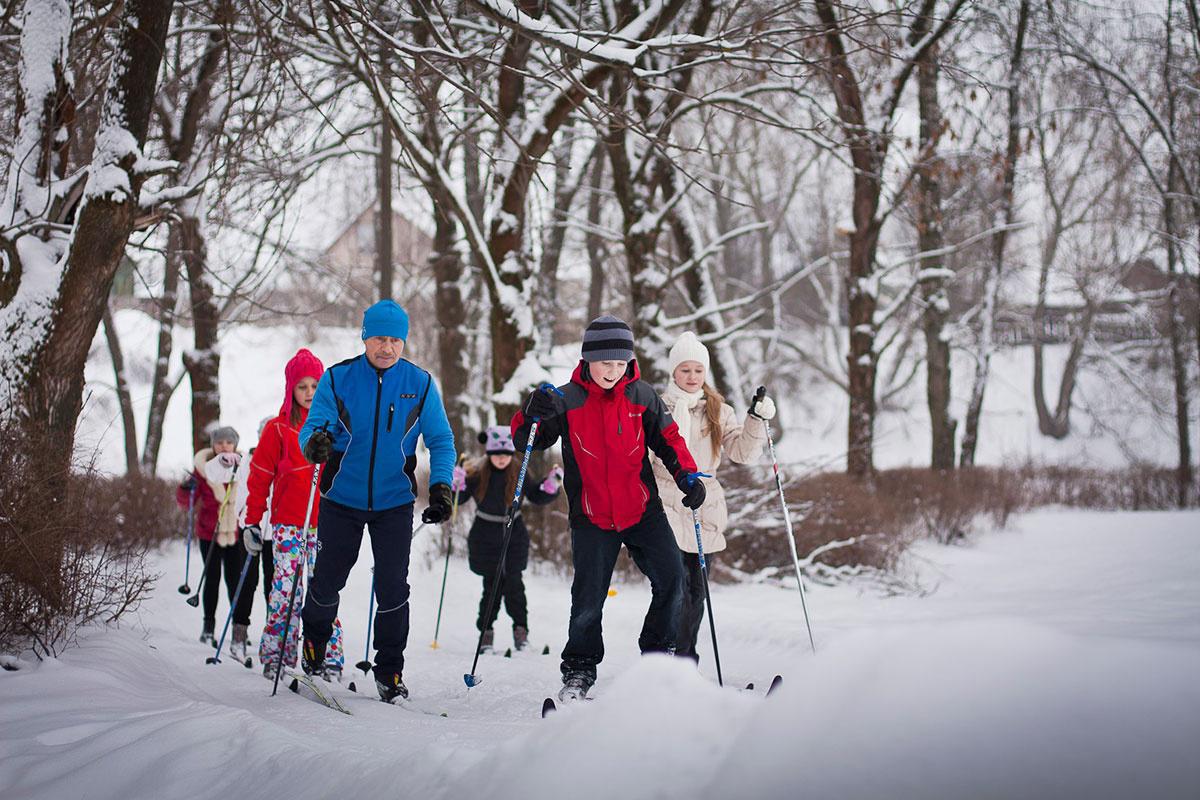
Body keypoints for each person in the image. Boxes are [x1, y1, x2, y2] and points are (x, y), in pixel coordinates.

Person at [511, 315, 705, 702]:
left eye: (620, 364)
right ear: (587, 360)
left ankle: (658, 660)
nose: (613, 372)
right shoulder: (567, 399)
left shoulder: (642, 396)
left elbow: (669, 440)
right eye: (605, 364)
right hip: (592, 516)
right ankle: (580, 670)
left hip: (642, 510)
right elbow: (526, 439)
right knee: (588, 598)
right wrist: (531, 411)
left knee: (673, 580)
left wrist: (688, 476)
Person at [298, 300, 457, 703]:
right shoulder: (338, 378)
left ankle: (390, 672)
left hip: (394, 503)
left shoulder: (419, 383)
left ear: (403, 341)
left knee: (393, 588)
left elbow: (440, 440)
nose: (386, 347)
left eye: (395, 340)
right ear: (365, 338)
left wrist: (440, 486)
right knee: (327, 580)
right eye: (379, 339)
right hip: (341, 499)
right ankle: (315, 644)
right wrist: (313, 443)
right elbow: (314, 426)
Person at [651, 332, 776, 663]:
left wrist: (756, 420)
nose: (692, 378)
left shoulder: (720, 411)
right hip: (666, 501)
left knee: (696, 591)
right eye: (685, 370)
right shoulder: (658, 409)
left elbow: (743, 453)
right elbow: (645, 460)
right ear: (673, 373)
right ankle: (666, 658)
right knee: (674, 588)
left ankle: (685, 659)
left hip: (705, 504)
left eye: (698, 371)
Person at [241, 349, 345, 679]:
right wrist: (253, 521)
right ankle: (277, 654)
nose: (309, 393)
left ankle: (326, 654)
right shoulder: (278, 429)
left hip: (326, 523)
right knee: (285, 590)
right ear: (291, 389)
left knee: (324, 592)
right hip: (287, 524)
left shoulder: (334, 427)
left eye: (315, 385)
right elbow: (259, 477)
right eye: (302, 387)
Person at [451, 426, 562, 655]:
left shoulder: (520, 472)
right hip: (485, 535)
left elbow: (536, 495)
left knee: (514, 585)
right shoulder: (478, 473)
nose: (501, 458)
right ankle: (486, 635)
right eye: (496, 453)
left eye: (505, 454)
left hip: (514, 535)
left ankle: (521, 633)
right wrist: (457, 483)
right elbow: (458, 500)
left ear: (511, 453)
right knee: (491, 586)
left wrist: (550, 486)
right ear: (488, 453)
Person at [176, 425, 256, 653]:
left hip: (236, 533)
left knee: (235, 581)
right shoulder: (203, 470)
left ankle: (238, 630)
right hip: (209, 532)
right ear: (213, 445)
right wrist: (186, 489)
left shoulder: (243, 466)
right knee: (211, 579)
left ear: (235, 445)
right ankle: (208, 627)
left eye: (228, 442)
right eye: (219, 442)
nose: (224, 446)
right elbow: (185, 502)